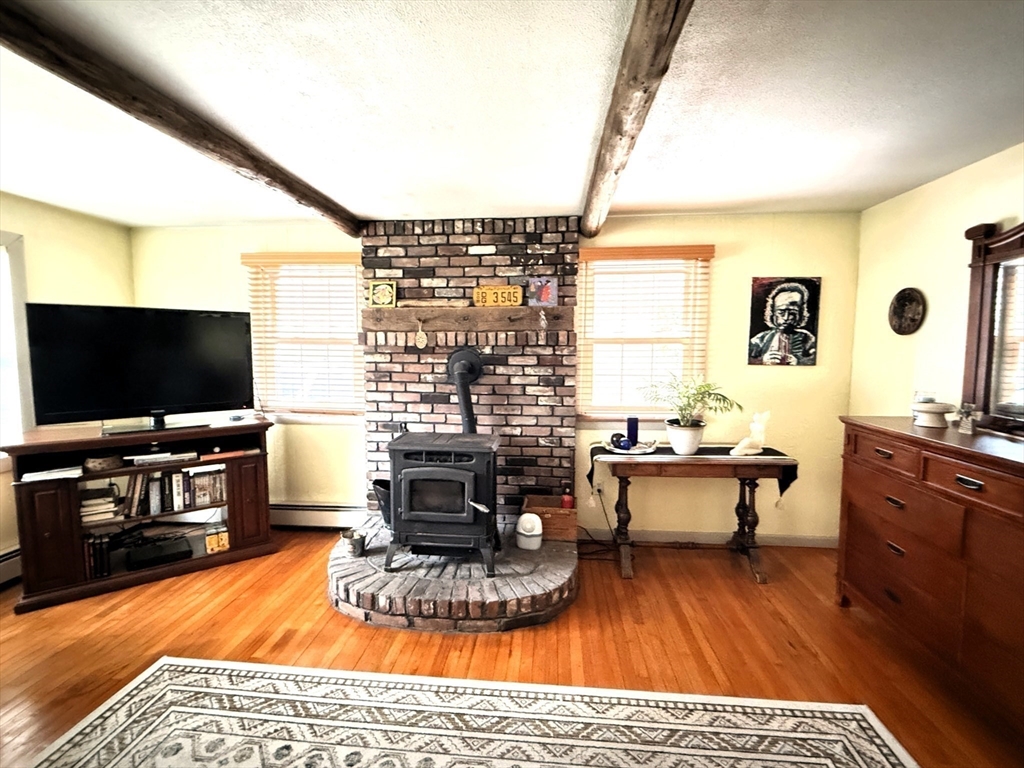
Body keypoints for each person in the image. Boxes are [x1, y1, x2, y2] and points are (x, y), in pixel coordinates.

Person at [749, 282, 816, 365]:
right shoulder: (761, 339)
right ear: (772, 313)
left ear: (800, 314)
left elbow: (817, 359)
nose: (786, 318)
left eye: (792, 313)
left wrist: (799, 362)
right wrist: (762, 360)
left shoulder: (807, 338)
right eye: (781, 312)